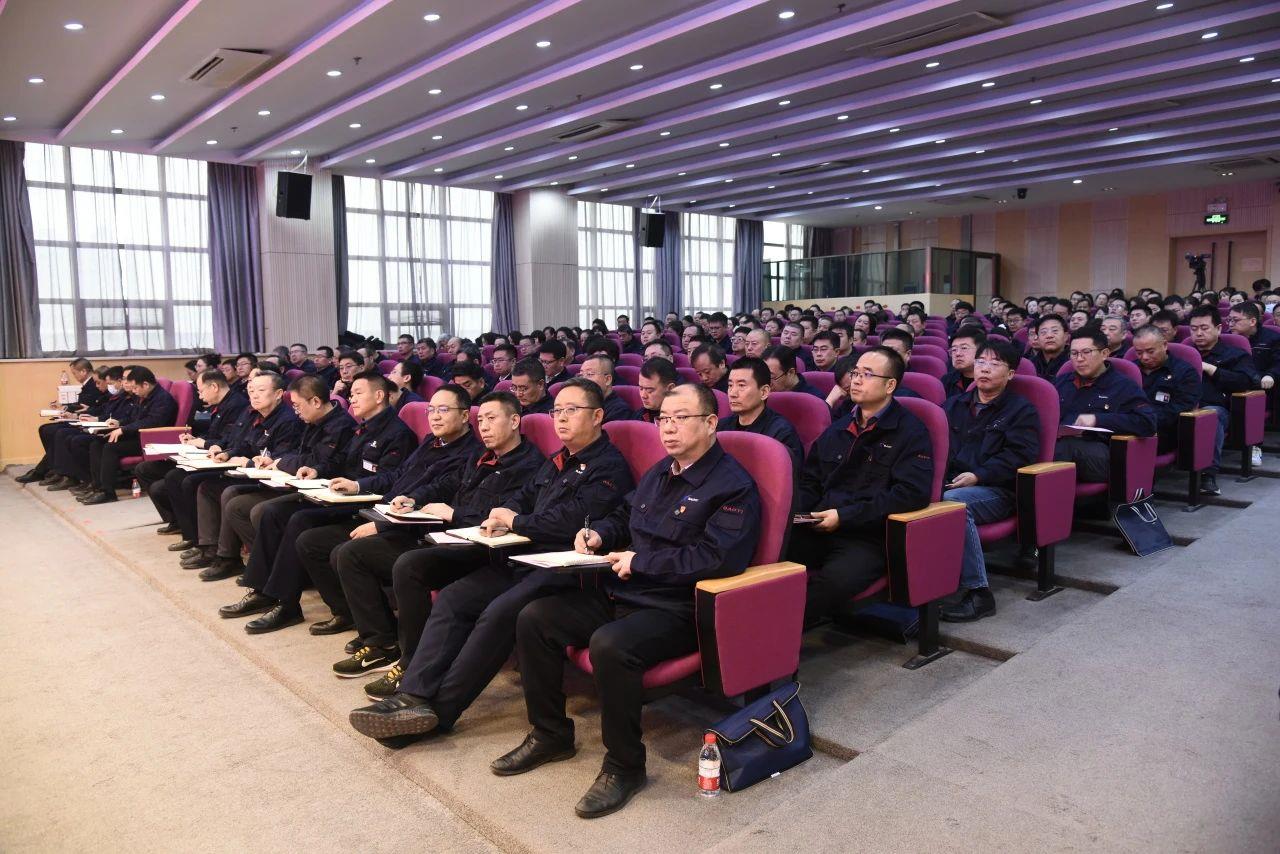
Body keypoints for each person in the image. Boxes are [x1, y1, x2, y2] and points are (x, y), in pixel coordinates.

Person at [495, 383, 760, 818]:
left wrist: (641, 562)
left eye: (681, 418)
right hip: (625, 589)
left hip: (679, 606)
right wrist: (600, 532)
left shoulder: (731, 486)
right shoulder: (661, 472)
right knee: (535, 618)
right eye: (663, 419)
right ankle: (550, 734)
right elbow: (625, 514)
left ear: (711, 423)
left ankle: (624, 765)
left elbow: (716, 558)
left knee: (610, 644)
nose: (668, 428)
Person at [347, 379, 635, 743]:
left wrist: (516, 521)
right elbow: (525, 497)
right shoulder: (557, 460)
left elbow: (571, 520)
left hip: (562, 568)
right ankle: (412, 695)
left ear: (597, 416)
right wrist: (502, 516)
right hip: (521, 556)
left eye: (571, 410)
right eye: (557, 411)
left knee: (499, 613)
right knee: (455, 598)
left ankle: (440, 713)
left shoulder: (608, 467)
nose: (561, 418)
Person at [328, 391, 544, 693]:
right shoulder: (482, 455)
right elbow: (449, 485)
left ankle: (411, 661)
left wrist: (455, 514)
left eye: (491, 419)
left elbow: (500, 516)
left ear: (514, 421)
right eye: (481, 419)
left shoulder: (529, 465)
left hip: (481, 551)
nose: (483, 426)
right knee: (352, 554)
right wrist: (415, 499)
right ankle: (381, 643)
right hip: (447, 536)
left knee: (410, 566)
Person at [218, 373, 416, 633]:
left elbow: (392, 479)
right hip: (339, 493)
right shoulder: (363, 427)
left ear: (379, 396)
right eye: (351, 394)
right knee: (274, 511)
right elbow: (338, 461)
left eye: (357, 393)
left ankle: (287, 603)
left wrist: (356, 484)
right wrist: (317, 470)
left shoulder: (397, 433)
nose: (351, 399)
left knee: (298, 519)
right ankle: (262, 590)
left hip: (365, 502)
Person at [293, 385, 482, 642]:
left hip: (415, 529)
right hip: (386, 512)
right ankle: (352, 616)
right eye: (431, 410)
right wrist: (358, 485)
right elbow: (398, 475)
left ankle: (381, 638)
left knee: (347, 553)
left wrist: (383, 524)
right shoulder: (431, 441)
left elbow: (434, 492)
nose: (435, 416)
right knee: (310, 541)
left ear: (464, 415)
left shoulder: (470, 454)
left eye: (443, 410)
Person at [786, 347, 933, 626]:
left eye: (867, 375)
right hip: (819, 525)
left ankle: (773, 636)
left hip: (868, 536)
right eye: (855, 373)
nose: (856, 380)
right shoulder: (839, 428)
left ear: (890, 385)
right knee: (766, 551)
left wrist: (844, 516)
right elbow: (811, 480)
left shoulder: (911, 432)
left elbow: (909, 495)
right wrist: (798, 515)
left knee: (833, 583)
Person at [183, 374, 325, 577]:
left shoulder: (289, 420)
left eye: (260, 390)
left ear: (278, 394)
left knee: (232, 495)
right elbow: (247, 444)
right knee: (206, 486)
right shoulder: (257, 414)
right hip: (259, 474)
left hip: (280, 481)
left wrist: (250, 462)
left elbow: (283, 456)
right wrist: (228, 453)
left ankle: (237, 559)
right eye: (251, 391)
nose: (254, 395)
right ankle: (212, 549)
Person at [939, 340, 1040, 622]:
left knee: (953, 504)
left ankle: (979, 593)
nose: (984, 369)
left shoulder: (1021, 410)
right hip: (951, 482)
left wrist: (979, 475)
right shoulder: (953, 405)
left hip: (997, 490)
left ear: (1010, 374)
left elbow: (1019, 456)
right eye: (981, 362)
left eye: (994, 364)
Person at [135, 370, 249, 535]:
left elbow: (228, 440)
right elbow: (214, 433)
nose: (199, 396)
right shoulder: (220, 404)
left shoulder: (237, 405)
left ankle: (191, 533)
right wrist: (196, 439)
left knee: (170, 481)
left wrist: (204, 443)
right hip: (208, 454)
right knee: (145, 469)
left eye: (201, 391)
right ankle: (176, 521)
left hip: (221, 459)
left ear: (214, 387)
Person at [1053, 329, 1157, 484]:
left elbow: (1147, 423)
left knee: (1063, 448)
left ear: (1104, 354)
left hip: (1104, 453)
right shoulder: (1062, 382)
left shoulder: (1123, 385)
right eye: (1074, 354)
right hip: (1062, 443)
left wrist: (1098, 420)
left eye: (1086, 352)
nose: (1079, 359)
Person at [78, 366, 179, 505]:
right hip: (137, 435)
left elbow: (151, 422)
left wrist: (124, 430)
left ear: (145, 384)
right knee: (97, 443)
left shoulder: (162, 399)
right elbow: (133, 418)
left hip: (151, 440)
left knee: (110, 448)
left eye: (135, 388)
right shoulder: (143, 396)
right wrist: (119, 423)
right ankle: (97, 487)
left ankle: (108, 492)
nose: (134, 391)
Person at [1188, 304, 1259, 494]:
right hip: (1183, 406)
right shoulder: (1184, 354)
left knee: (1210, 414)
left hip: (1219, 408)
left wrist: (1212, 369)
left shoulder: (1235, 354)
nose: (1198, 333)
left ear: (1219, 328)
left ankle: (1208, 474)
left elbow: (1246, 382)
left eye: (1204, 328)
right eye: (1193, 329)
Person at [17, 357, 105, 484]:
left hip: (86, 421)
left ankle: (59, 472)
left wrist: (71, 410)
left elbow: (88, 405)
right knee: (45, 430)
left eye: (74, 373)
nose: (74, 376)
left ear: (83, 371)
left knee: (58, 433)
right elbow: (83, 404)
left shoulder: (93, 384)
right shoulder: (89, 384)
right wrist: (65, 407)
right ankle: (52, 468)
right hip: (81, 417)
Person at [718, 356, 803, 472]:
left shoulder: (781, 432)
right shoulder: (721, 427)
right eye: (730, 385)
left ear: (764, 392)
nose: (732, 393)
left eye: (741, 385)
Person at [1132, 325, 1201, 457]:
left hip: (1163, 431)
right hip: (1127, 424)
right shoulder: (1132, 369)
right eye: (1139, 352)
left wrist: (1142, 420)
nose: (1144, 357)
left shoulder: (1184, 372)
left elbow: (1180, 408)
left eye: (1150, 351)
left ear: (1164, 345)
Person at [578, 354, 634, 423]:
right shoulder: (580, 402)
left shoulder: (619, 410)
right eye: (581, 375)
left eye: (590, 374)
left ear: (607, 379)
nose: (583, 379)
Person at [941, 328, 985, 399]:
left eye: (964, 348)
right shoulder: (947, 380)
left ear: (981, 351)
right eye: (954, 349)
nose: (958, 354)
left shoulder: (990, 381)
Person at [634, 358, 677, 422]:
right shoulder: (639, 416)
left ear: (670, 389)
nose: (643, 395)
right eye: (641, 388)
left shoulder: (683, 418)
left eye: (649, 390)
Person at [1028, 314, 1069, 379]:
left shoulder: (1074, 363)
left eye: (1055, 331)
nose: (1049, 336)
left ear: (1066, 336)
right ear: (1037, 338)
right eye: (1043, 332)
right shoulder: (1030, 365)